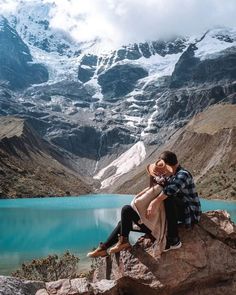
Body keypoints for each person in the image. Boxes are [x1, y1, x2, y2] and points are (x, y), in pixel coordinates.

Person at [146, 151, 202, 251]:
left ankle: (174, 240)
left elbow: (170, 190)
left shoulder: (183, 174)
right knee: (164, 196)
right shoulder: (172, 174)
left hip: (191, 213)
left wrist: (154, 202)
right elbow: (157, 189)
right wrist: (153, 177)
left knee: (168, 196)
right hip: (182, 210)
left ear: (167, 165)